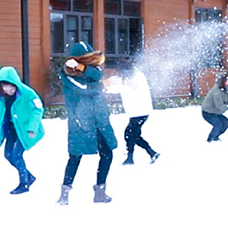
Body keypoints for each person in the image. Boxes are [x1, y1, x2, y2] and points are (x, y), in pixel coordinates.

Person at [57, 41, 118, 205]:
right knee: (75, 156)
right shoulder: (68, 75)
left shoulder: (92, 71)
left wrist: (83, 68)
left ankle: (100, 191)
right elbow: (84, 89)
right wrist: (103, 85)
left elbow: (97, 75)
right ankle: (64, 194)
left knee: (107, 154)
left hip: (99, 119)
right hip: (80, 121)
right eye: (86, 60)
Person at [104, 60, 160, 165]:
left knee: (129, 134)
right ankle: (151, 152)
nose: (119, 73)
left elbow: (138, 87)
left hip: (141, 111)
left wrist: (129, 84)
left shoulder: (138, 76)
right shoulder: (127, 77)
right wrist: (107, 89)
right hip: (135, 112)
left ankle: (131, 158)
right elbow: (120, 88)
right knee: (134, 134)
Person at [0, 66, 45, 194]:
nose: (9, 91)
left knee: (16, 154)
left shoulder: (28, 93)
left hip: (26, 130)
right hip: (11, 129)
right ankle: (28, 176)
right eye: (6, 88)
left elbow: (37, 110)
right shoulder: (1, 96)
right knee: (8, 155)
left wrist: (32, 128)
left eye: (12, 88)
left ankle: (24, 183)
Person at [201, 74, 228, 142]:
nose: (227, 84)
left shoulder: (224, 90)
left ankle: (216, 137)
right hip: (208, 112)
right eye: (226, 82)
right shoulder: (216, 91)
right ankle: (210, 140)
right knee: (218, 124)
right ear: (222, 82)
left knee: (227, 123)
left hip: (215, 112)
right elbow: (219, 106)